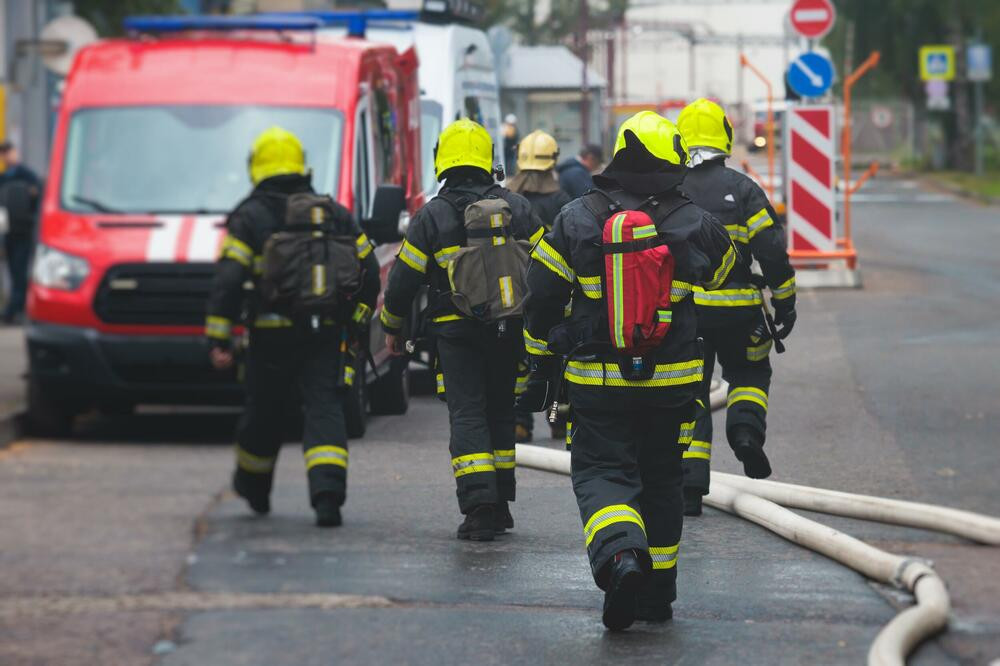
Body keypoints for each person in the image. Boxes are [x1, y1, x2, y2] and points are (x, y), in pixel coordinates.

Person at [519, 111, 737, 630]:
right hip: (672, 383)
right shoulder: (692, 220)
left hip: (598, 382)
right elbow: (726, 272)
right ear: (671, 161)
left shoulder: (576, 217)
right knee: (662, 478)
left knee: (602, 471)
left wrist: (539, 360)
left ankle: (620, 559)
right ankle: (657, 595)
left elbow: (540, 297)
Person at [205, 127, 380, 527]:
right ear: (302, 165)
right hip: (326, 334)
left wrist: (218, 335)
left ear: (257, 167)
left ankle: (254, 489)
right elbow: (369, 271)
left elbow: (229, 279)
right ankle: (327, 497)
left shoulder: (249, 216)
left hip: (269, 337)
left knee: (264, 411)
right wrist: (356, 321)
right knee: (325, 408)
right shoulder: (333, 213)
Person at [380, 119, 543, 541]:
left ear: (443, 161)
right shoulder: (518, 208)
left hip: (456, 332)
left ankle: (479, 507)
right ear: (488, 160)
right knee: (501, 411)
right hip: (509, 326)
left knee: (468, 412)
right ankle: (501, 504)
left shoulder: (432, 216)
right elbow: (549, 267)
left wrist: (392, 327)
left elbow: (402, 281)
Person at [675, 98, 797, 517]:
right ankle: (745, 432)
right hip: (740, 310)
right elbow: (771, 250)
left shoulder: (669, 190)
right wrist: (785, 302)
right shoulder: (743, 189)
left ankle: (690, 487)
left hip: (686, 313)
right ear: (724, 138)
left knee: (689, 391)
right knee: (749, 372)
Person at [506, 129, 572, 443]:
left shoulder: (507, 199)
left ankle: (520, 422)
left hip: (511, 292)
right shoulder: (562, 201)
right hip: (552, 292)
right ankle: (559, 419)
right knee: (557, 355)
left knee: (519, 359)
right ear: (552, 161)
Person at [0, 142, 43, 324]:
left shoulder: (27, 175)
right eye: (4, 154)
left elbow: (38, 197)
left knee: (20, 271)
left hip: (24, 231)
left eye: (9, 152)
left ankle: (17, 310)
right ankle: (15, 309)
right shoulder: (3, 178)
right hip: (8, 232)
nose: (8, 156)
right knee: (13, 271)